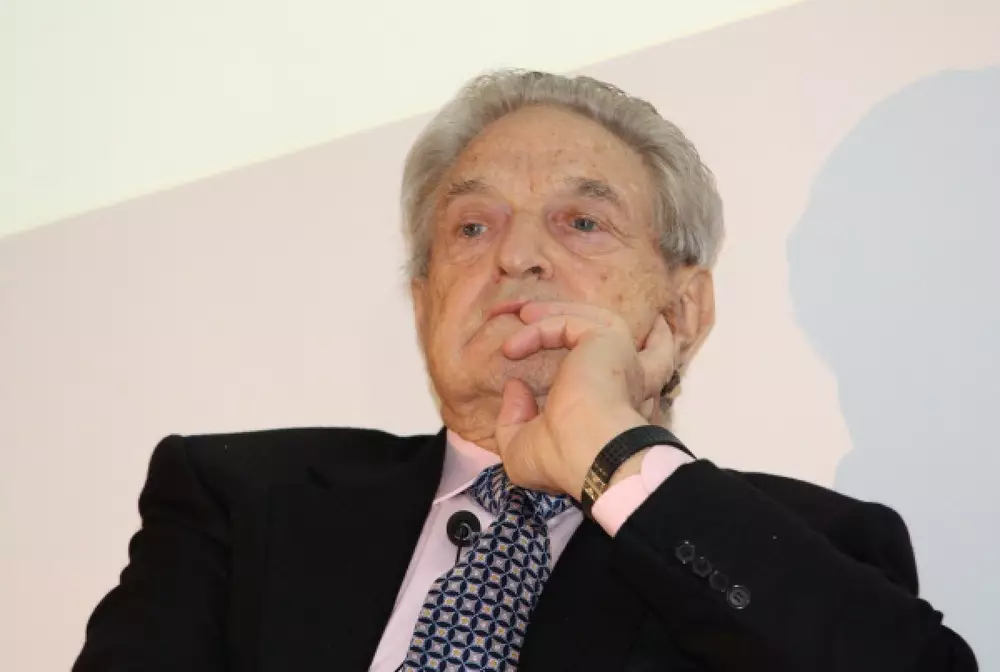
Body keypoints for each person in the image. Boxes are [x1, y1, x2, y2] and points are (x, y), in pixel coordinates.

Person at [73, 70, 976, 671]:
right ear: (425, 300)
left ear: (681, 311)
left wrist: (613, 452)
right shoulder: (239, 499)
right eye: (473, 227)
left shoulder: (807, 545)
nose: (517, 257)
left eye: (583, 223)